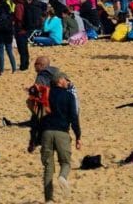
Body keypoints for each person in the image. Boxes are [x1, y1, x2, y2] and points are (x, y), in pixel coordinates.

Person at [40, 69, 82, 202]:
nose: (68, 82)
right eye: (66, 79)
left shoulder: (45, 95)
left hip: (46, 132)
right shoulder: (69, 96)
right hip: (62, 132)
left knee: (48, 166)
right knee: (65, 162)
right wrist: (78, 136)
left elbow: (38, 116)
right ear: (59, 80)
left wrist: (34, 138)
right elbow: (74, 117)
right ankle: (62, 177)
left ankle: (48, 199)